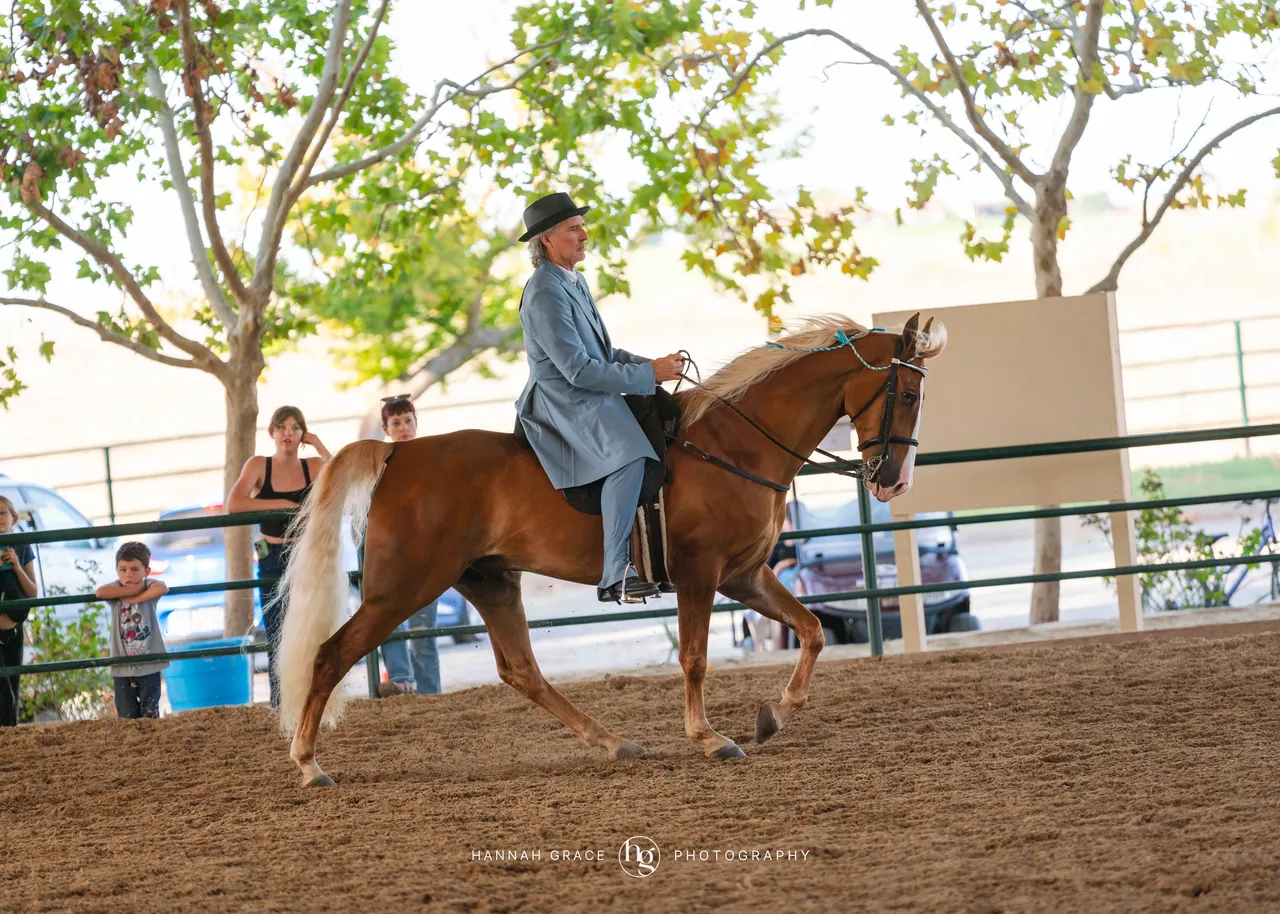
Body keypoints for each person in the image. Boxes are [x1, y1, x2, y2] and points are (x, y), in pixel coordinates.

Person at [515, 191, 687, 604]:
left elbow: (605, 355)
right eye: (574, 229)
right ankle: (616, 575)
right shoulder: (544, 291)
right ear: (547, 240)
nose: (584, 235)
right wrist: (647, 375)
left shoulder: (573, 281)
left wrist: (655, 366)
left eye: (581, 227)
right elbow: (577, 369)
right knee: (629, 453)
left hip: (583, 388)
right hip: (563, 399)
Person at [227, 405, 332, 707]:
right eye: (282, 427)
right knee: (276, 627)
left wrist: (319, 444)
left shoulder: (312, 465)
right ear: (271, 432)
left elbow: (340, 476)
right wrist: (282, 504)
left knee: (310, 625)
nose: (288, 433)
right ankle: (279, 701)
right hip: (271, 553)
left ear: (303, 434)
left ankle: (310, 699)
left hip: (305, 553)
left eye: (295, 427)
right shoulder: (259, 465)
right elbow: (235, 503)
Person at [374, 395, 442, 698]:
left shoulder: (432, 458)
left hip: (427, 556)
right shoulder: (380, 463)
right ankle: (402, 680)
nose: (403, 428)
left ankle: (429, 694)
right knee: (388, 620)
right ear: (386, 427)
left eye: (407, 421)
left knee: (423, 631)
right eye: (396, 422)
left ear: (416, 422)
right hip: (393, 554)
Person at [95, 542, 170, 719]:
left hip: (149, 665)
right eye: (123, 570)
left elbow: (162, 588)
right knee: (126, 714)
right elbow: (100, 592)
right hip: (122, 667)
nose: (128, 575)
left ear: (147, 571)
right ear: (117, 571)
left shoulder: (150, 587)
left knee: (150, 712)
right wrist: (135, 589)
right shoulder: (116, 592)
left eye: (135, 569)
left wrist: (138, 597)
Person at [0, 495, 38, 727]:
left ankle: (10, 747)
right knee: (4, 697)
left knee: (12, 691)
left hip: (14, 630)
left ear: (14, 519)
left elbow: (33, 592)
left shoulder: (22, 545)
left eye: (2, 513)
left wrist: (15, 565)